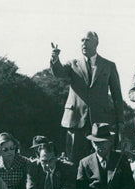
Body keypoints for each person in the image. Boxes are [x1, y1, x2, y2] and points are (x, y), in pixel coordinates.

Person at [50, 31, 124, 166]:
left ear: (96, 43)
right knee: (74, 162)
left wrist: (120, 122)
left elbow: (117, 96)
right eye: (82, 40)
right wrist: (55, 60)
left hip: (101, 123)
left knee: (101, 162)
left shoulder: (109, 65)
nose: (83, 43)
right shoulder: (73, 64)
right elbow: (59, 72)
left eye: (87, 40)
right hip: (76, 120)